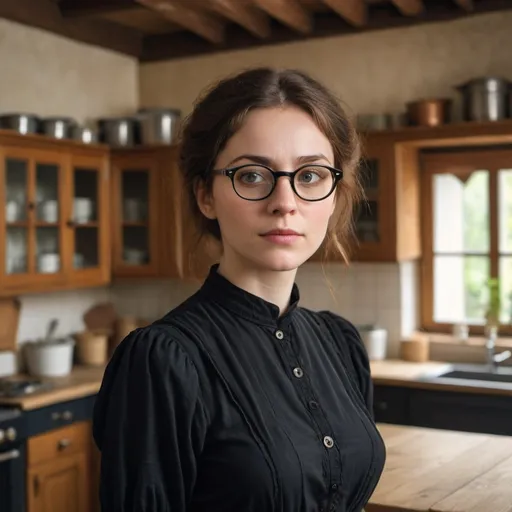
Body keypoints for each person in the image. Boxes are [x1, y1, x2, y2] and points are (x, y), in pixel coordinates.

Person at [93, 67, 386, 512]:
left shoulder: (340, 344)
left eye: (309, 176)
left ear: (333, 196)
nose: (284, 202)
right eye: (252, 175)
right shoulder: (163, 361)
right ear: (205, 196)